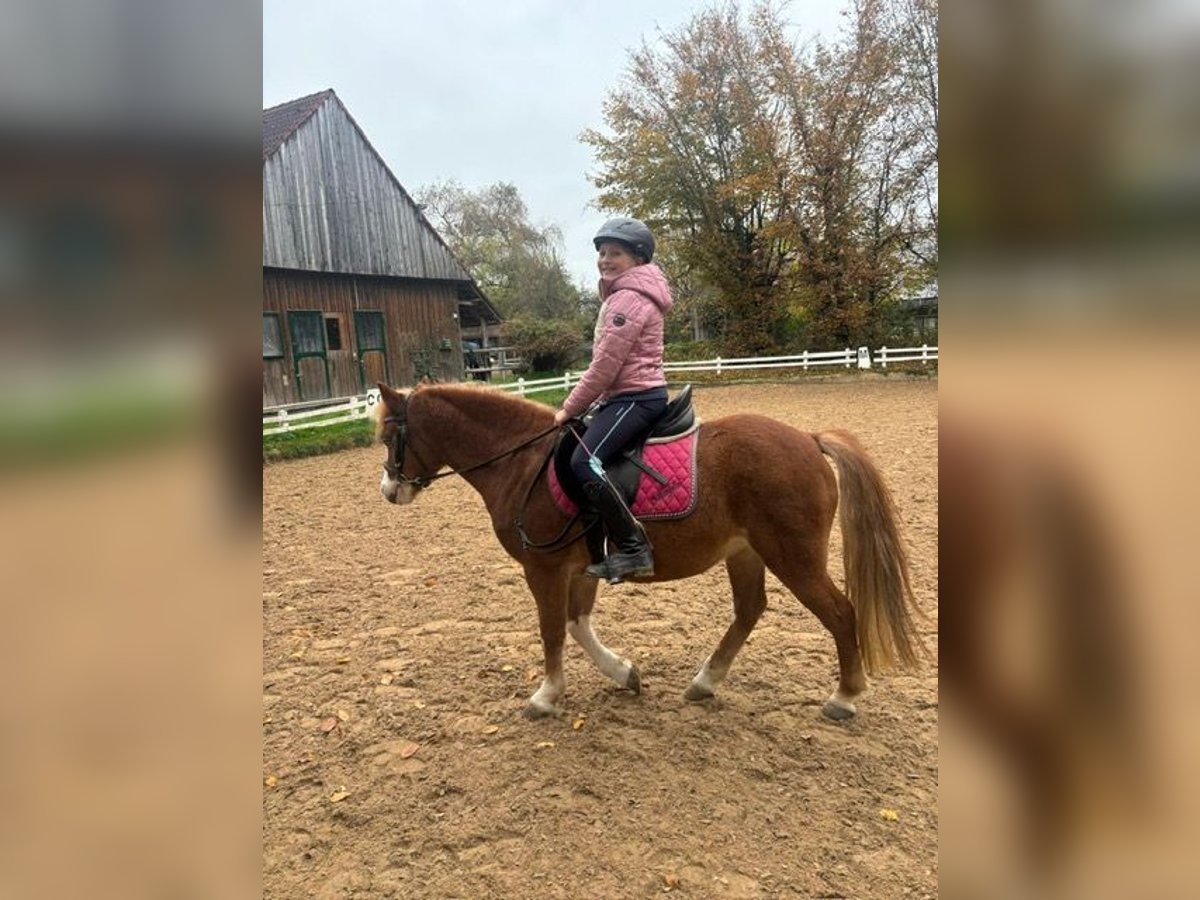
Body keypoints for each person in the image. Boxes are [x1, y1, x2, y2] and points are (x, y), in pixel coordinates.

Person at [553, 217, 674, 582]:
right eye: (602, 253)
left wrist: (569, 408)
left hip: (636, 397)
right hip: (626, 396)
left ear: (638, 259)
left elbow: (604, 367)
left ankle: (635, 549)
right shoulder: (626, 294)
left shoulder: (628, 299)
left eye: (615, 253)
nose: (605, 260)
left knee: (584, 462)